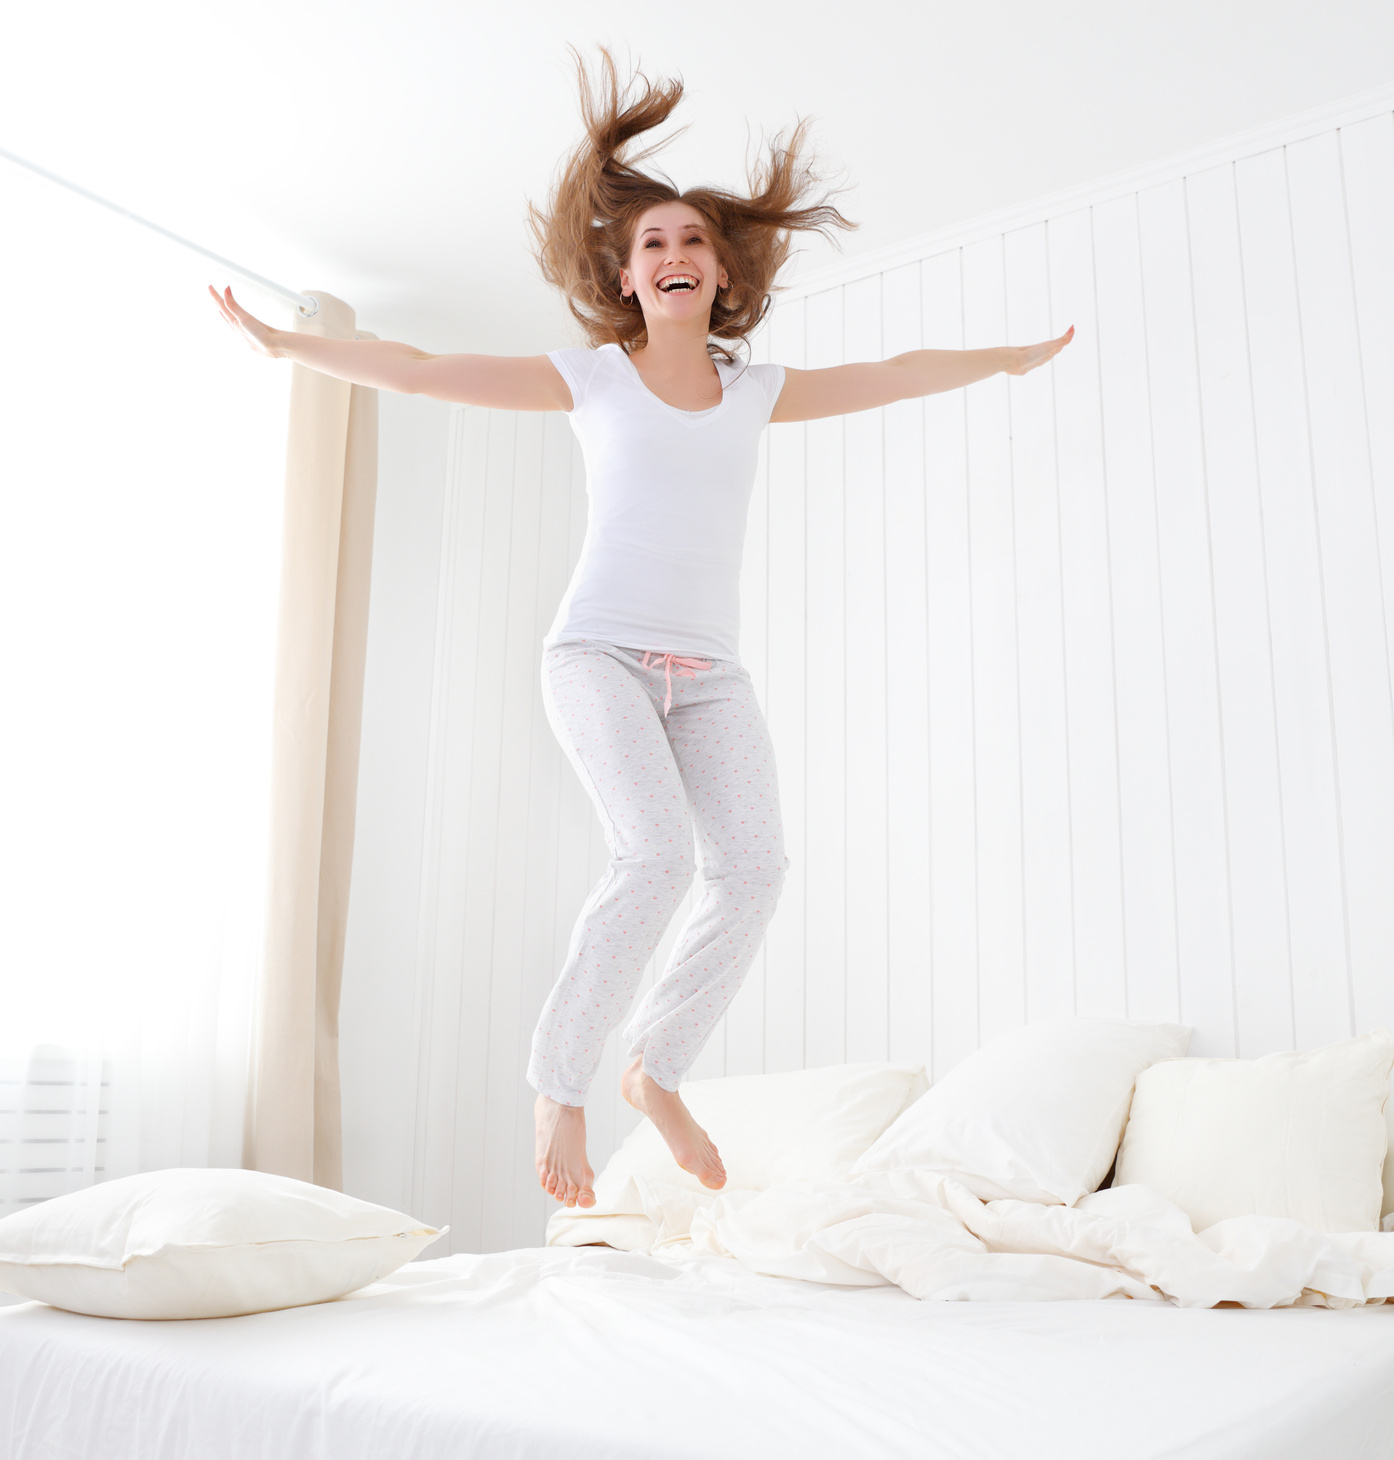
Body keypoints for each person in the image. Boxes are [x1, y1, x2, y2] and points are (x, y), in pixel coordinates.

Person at [211, 48, 1071, 1214]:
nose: (674, 254)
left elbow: (896, 369)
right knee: (653, 853)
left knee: (754, 867)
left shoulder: (756, 393)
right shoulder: (590, 380)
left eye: (693, 243)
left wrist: (1011, 358)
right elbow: (414, 368)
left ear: (723, 279)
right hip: (598, 655)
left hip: (709, 674)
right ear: (625, 279)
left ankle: (654, 1065)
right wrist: (289, 344)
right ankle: (558, 1079)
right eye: (652, 242)